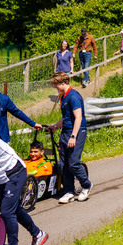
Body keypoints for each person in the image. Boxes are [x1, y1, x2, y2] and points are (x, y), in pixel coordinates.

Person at [48, 71, 92, 203]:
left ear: (62, 82)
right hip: (65, 132)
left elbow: (78, 117)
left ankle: (86, 185)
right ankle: (69, 191)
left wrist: (73, 136)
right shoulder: (63, 96)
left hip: (77, 132)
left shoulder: (73, 96)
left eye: (55, 85)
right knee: (64, 164)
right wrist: (56, 126)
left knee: (73, 163)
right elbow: (66, 116)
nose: (54, 87)